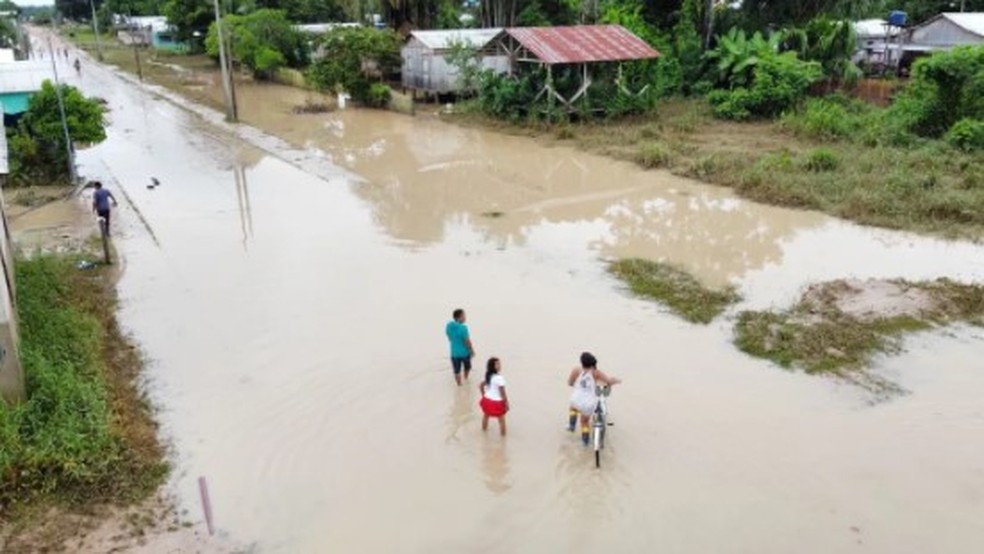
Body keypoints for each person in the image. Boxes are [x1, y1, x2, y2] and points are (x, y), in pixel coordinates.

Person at [567, 352, 620, 446]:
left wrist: (576, 385)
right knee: (584, 422)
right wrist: (616, 381)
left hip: (575, 398)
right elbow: (608, 381)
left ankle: (571, 426)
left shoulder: (576, 370)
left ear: (581, 362)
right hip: (588, 403)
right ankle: (585, 442)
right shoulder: (596, 373)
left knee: (573, 408)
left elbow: (570, 382)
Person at [479, 357, 509, 436]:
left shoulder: (489, 376)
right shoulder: (499, 378)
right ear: (492, 366)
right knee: (501, 421)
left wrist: (483, 395)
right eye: (497, 364)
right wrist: (506, 404)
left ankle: (483, 432)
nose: (500, 365)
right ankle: (503, 438)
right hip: (496, 402)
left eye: (499, 363)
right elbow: (503, 393)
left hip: (486, 400)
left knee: (486, 416)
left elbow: (481, 385)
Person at [445, 308, 474, 386]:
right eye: (464, 315)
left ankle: (459, 385)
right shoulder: (463, 327)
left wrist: (454, 341)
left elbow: (448, 335)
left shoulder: (449, 325)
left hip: (454, 353)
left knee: (456, 371)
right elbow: (467, 341)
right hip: (464, 353)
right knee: (467, 367)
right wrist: (471, 351)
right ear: (459, 317)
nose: (465, 317)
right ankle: (466, 378)